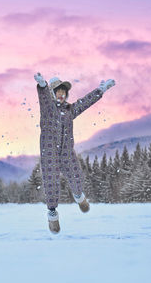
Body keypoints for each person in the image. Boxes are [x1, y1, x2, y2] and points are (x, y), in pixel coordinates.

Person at [34, 73, 115, 233]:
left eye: (64, 92)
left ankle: (78, 195)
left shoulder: (70, 110)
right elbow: (43, 98)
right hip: (49, 153)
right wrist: (43, 85)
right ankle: (52, 214)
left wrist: (101, 90)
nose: (61, 94)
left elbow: (85, 102)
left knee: (77, 175)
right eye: (57, 91)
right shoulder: (48, 109)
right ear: (52, 93)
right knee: (51, 182)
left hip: (66, 153)